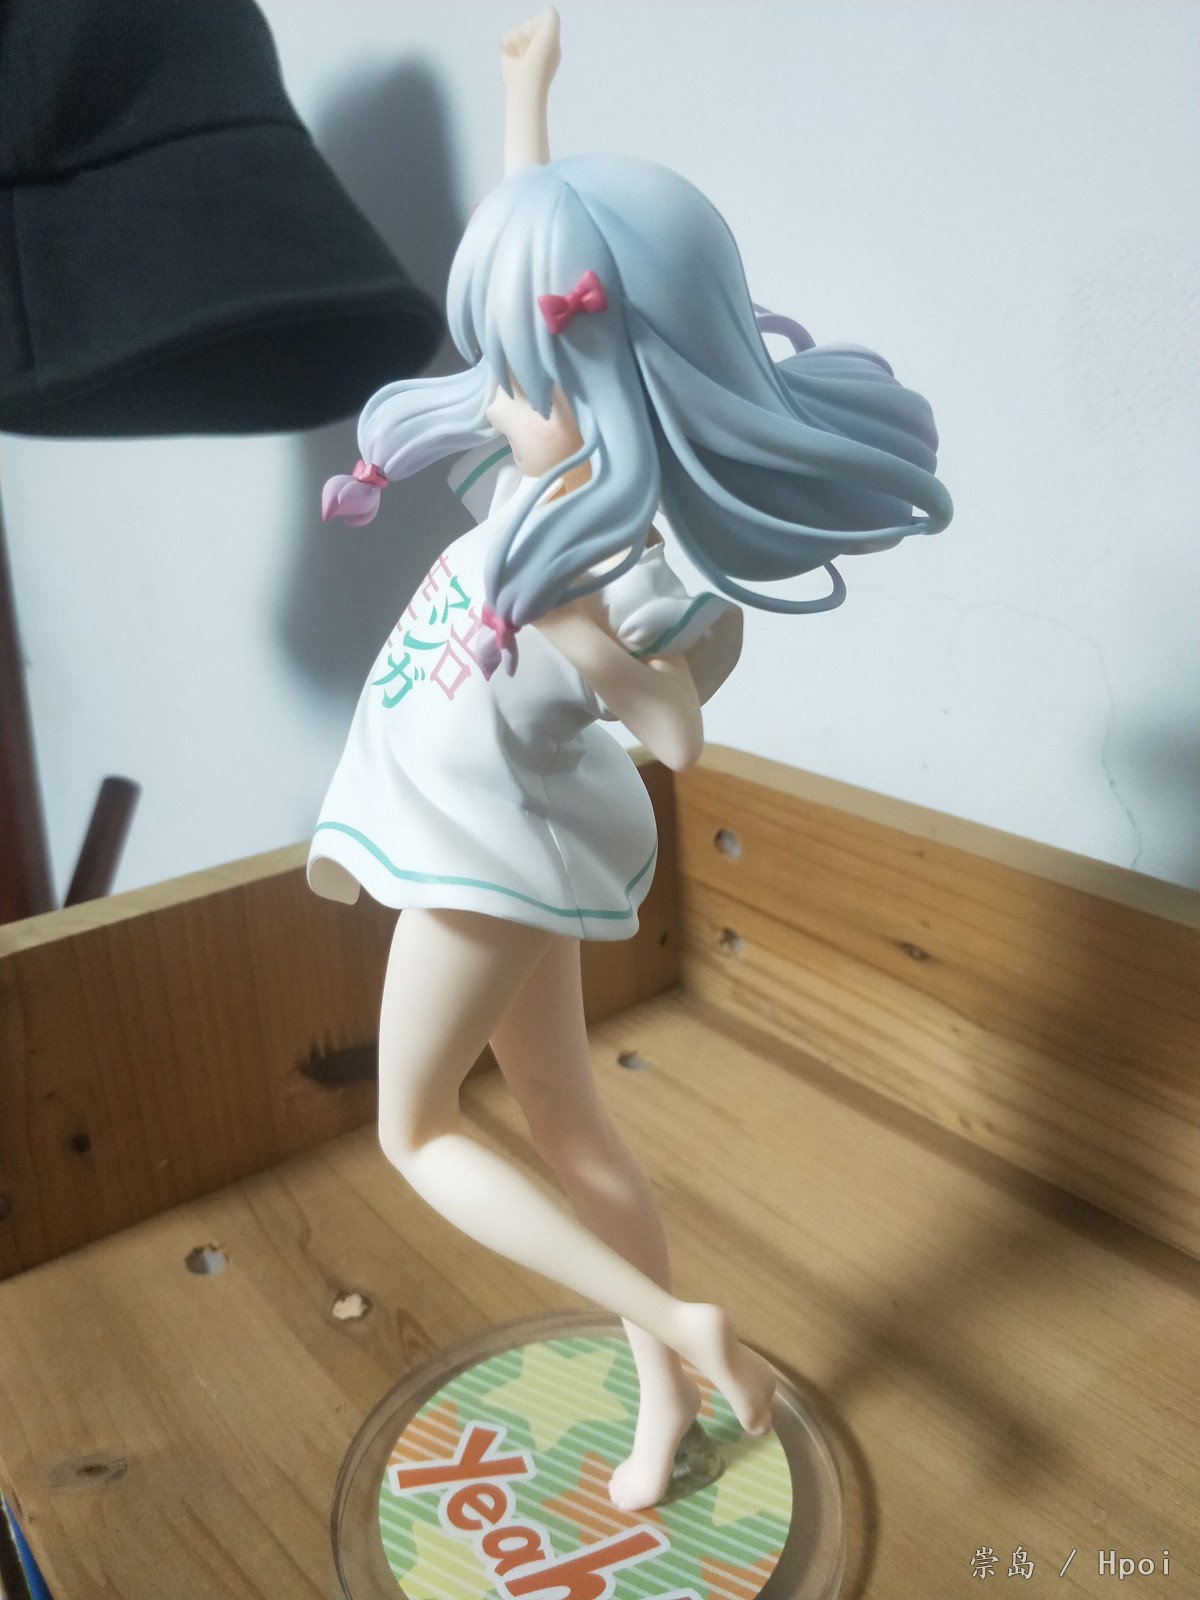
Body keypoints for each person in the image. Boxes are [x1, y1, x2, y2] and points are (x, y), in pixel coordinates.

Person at [311, 8, 951, 1511]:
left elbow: (676, 732)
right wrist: (525, 97)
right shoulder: (537, 493)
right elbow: (554, 280)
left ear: (608, 396)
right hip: (505, 842)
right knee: (565, 1120)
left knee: (412, 1129)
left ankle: (676, 1321)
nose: (497, 393)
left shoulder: (602, 572)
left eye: (530, 374)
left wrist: (612, 655)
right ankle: (665, 1390)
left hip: (478, 863)